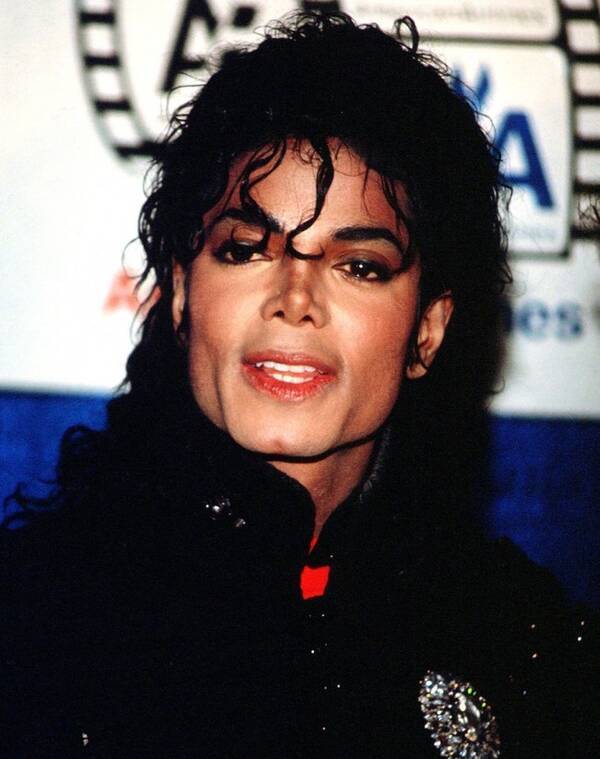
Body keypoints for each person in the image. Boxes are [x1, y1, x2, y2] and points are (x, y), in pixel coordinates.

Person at [3, 11, 597, 758]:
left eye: (360, 266)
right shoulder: (35, 620)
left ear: (427, 328)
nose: (294, 298)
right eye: (247, 249)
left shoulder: (515, 635)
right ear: (182, 292)